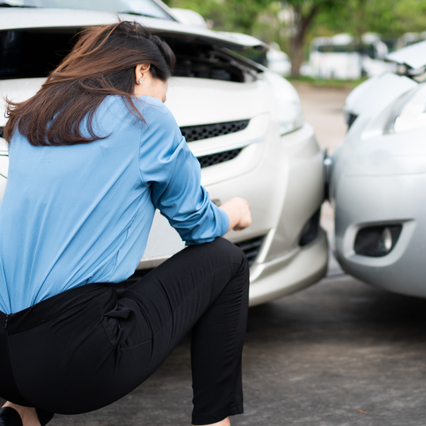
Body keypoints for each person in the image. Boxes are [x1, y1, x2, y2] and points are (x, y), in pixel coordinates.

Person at [0, 21, 252, 426]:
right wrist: (232, 213)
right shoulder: (145, 116)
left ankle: (18, 414)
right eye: (161, 91)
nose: (160, 102)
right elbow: (197, 226)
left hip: (6, 359)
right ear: (141, 71)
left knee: (76, 294)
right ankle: (215, 423)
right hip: (73, 363)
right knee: (226, 260)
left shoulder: (34, 117)